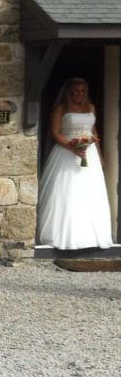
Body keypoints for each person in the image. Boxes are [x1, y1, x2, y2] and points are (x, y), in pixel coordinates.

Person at [37, 77, 114, 250]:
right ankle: (65, 237)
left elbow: (93, 132)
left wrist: (100, 155)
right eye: (75, 91)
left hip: (89, 153)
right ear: (69, 92)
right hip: (66, 152)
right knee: (68, 191)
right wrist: (72, 148)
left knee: (90, 193)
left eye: (82, 91)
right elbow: (55, 132)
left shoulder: (90, 108)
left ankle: (91, 238)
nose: (79, 94)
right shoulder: (61, 108)